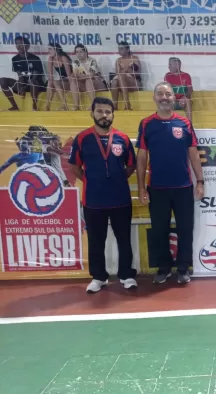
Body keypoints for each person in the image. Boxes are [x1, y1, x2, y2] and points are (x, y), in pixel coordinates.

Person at [136, 82, 204, 284]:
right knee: (159, 230)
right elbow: (141, 157)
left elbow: (193, 154)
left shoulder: (185, 123)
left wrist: (200, 181)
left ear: (174, 98)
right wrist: (141, 188)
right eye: (160, 94)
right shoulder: (147, 124)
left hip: (183, 188)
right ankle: (163, 268)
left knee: (185, 229)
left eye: (168, 94)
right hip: (157, 188)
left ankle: (183, 268)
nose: (164, 97)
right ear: (154, 98)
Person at [68, 97, 138, 293]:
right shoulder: (82, 138)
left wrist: (117, 178)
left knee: (124, 239)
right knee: (96, 241)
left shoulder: (122, 138)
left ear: (113, 114)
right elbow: (74, 165)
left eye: (108, 112)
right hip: (93, 200)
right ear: (92, 113)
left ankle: (126, 275)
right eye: (99, 111)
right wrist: (90, 180)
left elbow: (131, 164)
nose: (104, 115)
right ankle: (99, 277)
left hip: (120, 199)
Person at [0, 36, 46, 112]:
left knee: (32, 82)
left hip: (35, 85)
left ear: (27, 46)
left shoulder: (35, 58)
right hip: (23, 84)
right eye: (17, 44)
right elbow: (19, 75)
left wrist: (24, 87)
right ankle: (15, 106)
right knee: (2, 80)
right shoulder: (15, 59)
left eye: (21, 44)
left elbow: (35, 77)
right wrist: (21, 86)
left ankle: (34, 106)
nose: (18, 46)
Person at [70, 44, 107, 110]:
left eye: (81, 52)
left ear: (86, 52)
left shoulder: (92, 60)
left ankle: (93, 105)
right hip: (85, 83)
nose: (78, 54)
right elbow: (75, 75)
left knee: (88, 80)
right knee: (73, 81)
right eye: (77, 52)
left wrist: (80, 76)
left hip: (97, 83)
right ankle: (76, 105)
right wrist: (80, 76)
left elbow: (91, 75)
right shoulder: (75, 62)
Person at [111, 41, 141, 111]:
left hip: (134, 83)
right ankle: (115, 105)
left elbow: (138, 74)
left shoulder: (134, 58)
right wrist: (126, 70)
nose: (119, 51)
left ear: (127, 49)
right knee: (115, 81)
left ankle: (127, 104)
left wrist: (129, 72)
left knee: (121, 77)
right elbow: (118, 74)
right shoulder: (118, 60)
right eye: (118, 49)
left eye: (121, 49)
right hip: (122, 83)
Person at [45, 43, 73, 111]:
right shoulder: (51, 58)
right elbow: (50, 75)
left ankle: (64, 105)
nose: (48, 51)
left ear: (56, 49)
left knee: (55, 82)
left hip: (70, 81)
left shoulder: (63, 58)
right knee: (50, 83)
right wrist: (50, 81)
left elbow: (69, 75)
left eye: (50, 49)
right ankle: (47, 106)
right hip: (61, 82)